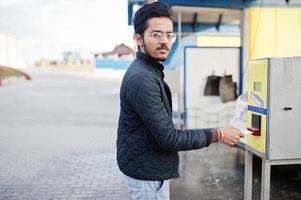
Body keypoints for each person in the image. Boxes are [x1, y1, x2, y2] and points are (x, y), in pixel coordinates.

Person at [116, 2, 244, 199]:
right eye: (156, 34)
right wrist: (218, 134)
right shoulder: (142, 79)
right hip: (147, 176)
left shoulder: (149, 71)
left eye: (169, 35)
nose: (165, 41)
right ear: (139, 39)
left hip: (146, 166)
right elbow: (169, 139)